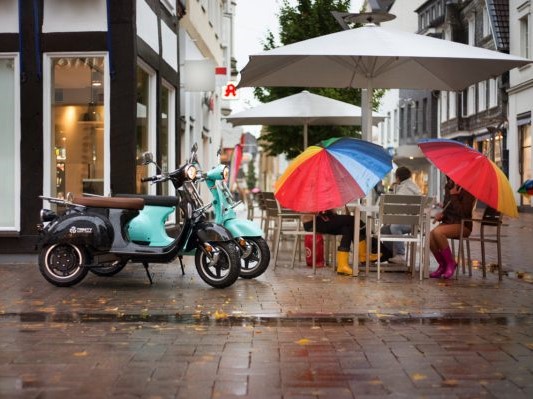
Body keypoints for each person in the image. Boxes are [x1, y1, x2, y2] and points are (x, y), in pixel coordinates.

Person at [429, 176, 476, 279]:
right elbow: (448, 208)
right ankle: (442, 265)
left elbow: (464, 213)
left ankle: (451, 263)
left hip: (463, 225)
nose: (449, 178)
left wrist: (454, 196)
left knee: (438, 233)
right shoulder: (449, 186)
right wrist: (442, 215)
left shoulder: (467, 189)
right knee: (430, 236)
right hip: (449, 222)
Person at [301, 210, 374, 276]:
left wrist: (332, 209)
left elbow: (329, 212)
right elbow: (314, 210)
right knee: (354, 220)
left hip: (323, 219)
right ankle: (364, 254)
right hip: (313, 222)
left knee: (348, 229)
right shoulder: (310, 197)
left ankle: (343, 265)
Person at [381, 166, 422, 264]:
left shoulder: (404, 188)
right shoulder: (413, 186)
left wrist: (391, 190)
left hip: (409, 223)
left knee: (394, 227)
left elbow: (392, 205)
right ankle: (392, 254)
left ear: (398, 177)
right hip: (414, 222)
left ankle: (400, 254)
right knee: (384, 230)